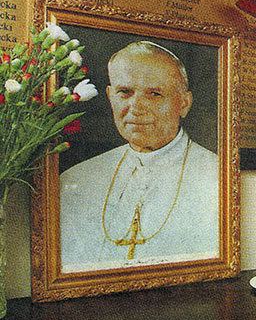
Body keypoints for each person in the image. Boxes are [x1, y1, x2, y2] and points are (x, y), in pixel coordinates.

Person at [60, 41, 219, 271]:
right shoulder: (75, 180)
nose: (136, 107)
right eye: (125, 92)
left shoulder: (217, 178)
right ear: (109, 96)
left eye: (154, 94)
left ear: (184, 103)